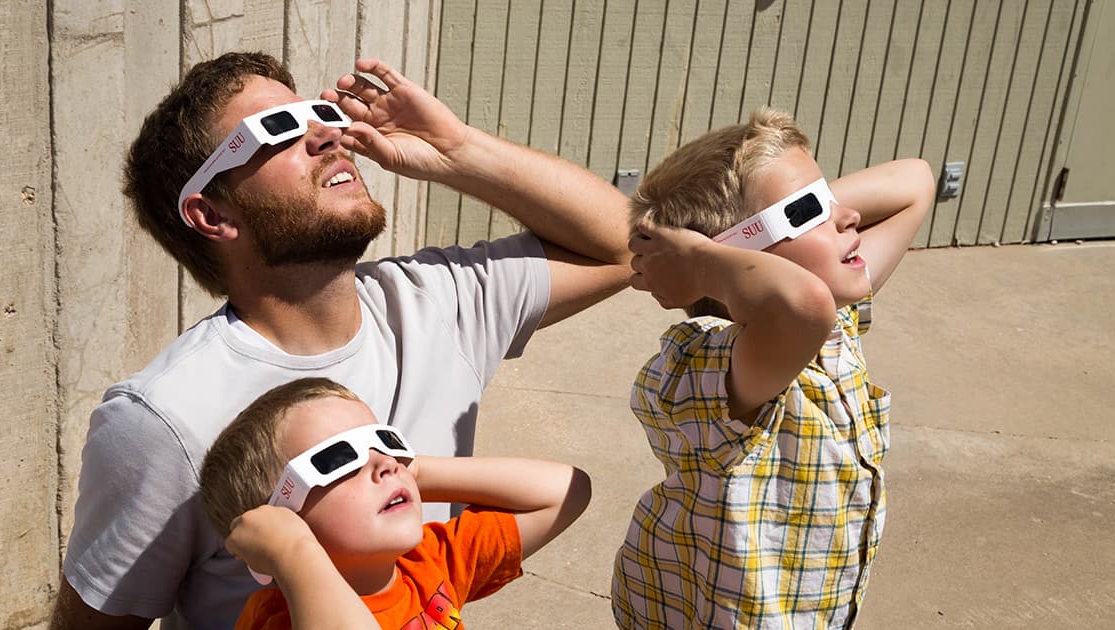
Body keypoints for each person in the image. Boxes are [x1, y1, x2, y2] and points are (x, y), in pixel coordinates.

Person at [52, 51, 631, 629]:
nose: (327, 135)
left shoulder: (437, 301)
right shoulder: (163, 417)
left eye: (317, 112)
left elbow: (632, 246)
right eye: (275, 129)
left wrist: (457, 152)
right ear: (211, 213)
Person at [610, 107, 935, 628]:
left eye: (829, 199)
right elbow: (800, 304)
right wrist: (698, 263)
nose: (847, 217)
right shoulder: (712, 362)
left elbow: (915, 180)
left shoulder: (832, 320)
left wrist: (807, 208)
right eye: (809, 210)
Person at [199, 377, 591, 629]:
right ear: (279, 519)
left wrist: (416, 471)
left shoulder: (428, 562)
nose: (386, 464)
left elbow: (566, 491)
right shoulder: (279, 620)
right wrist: (293, 553)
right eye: (339, 459)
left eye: (383, 441)